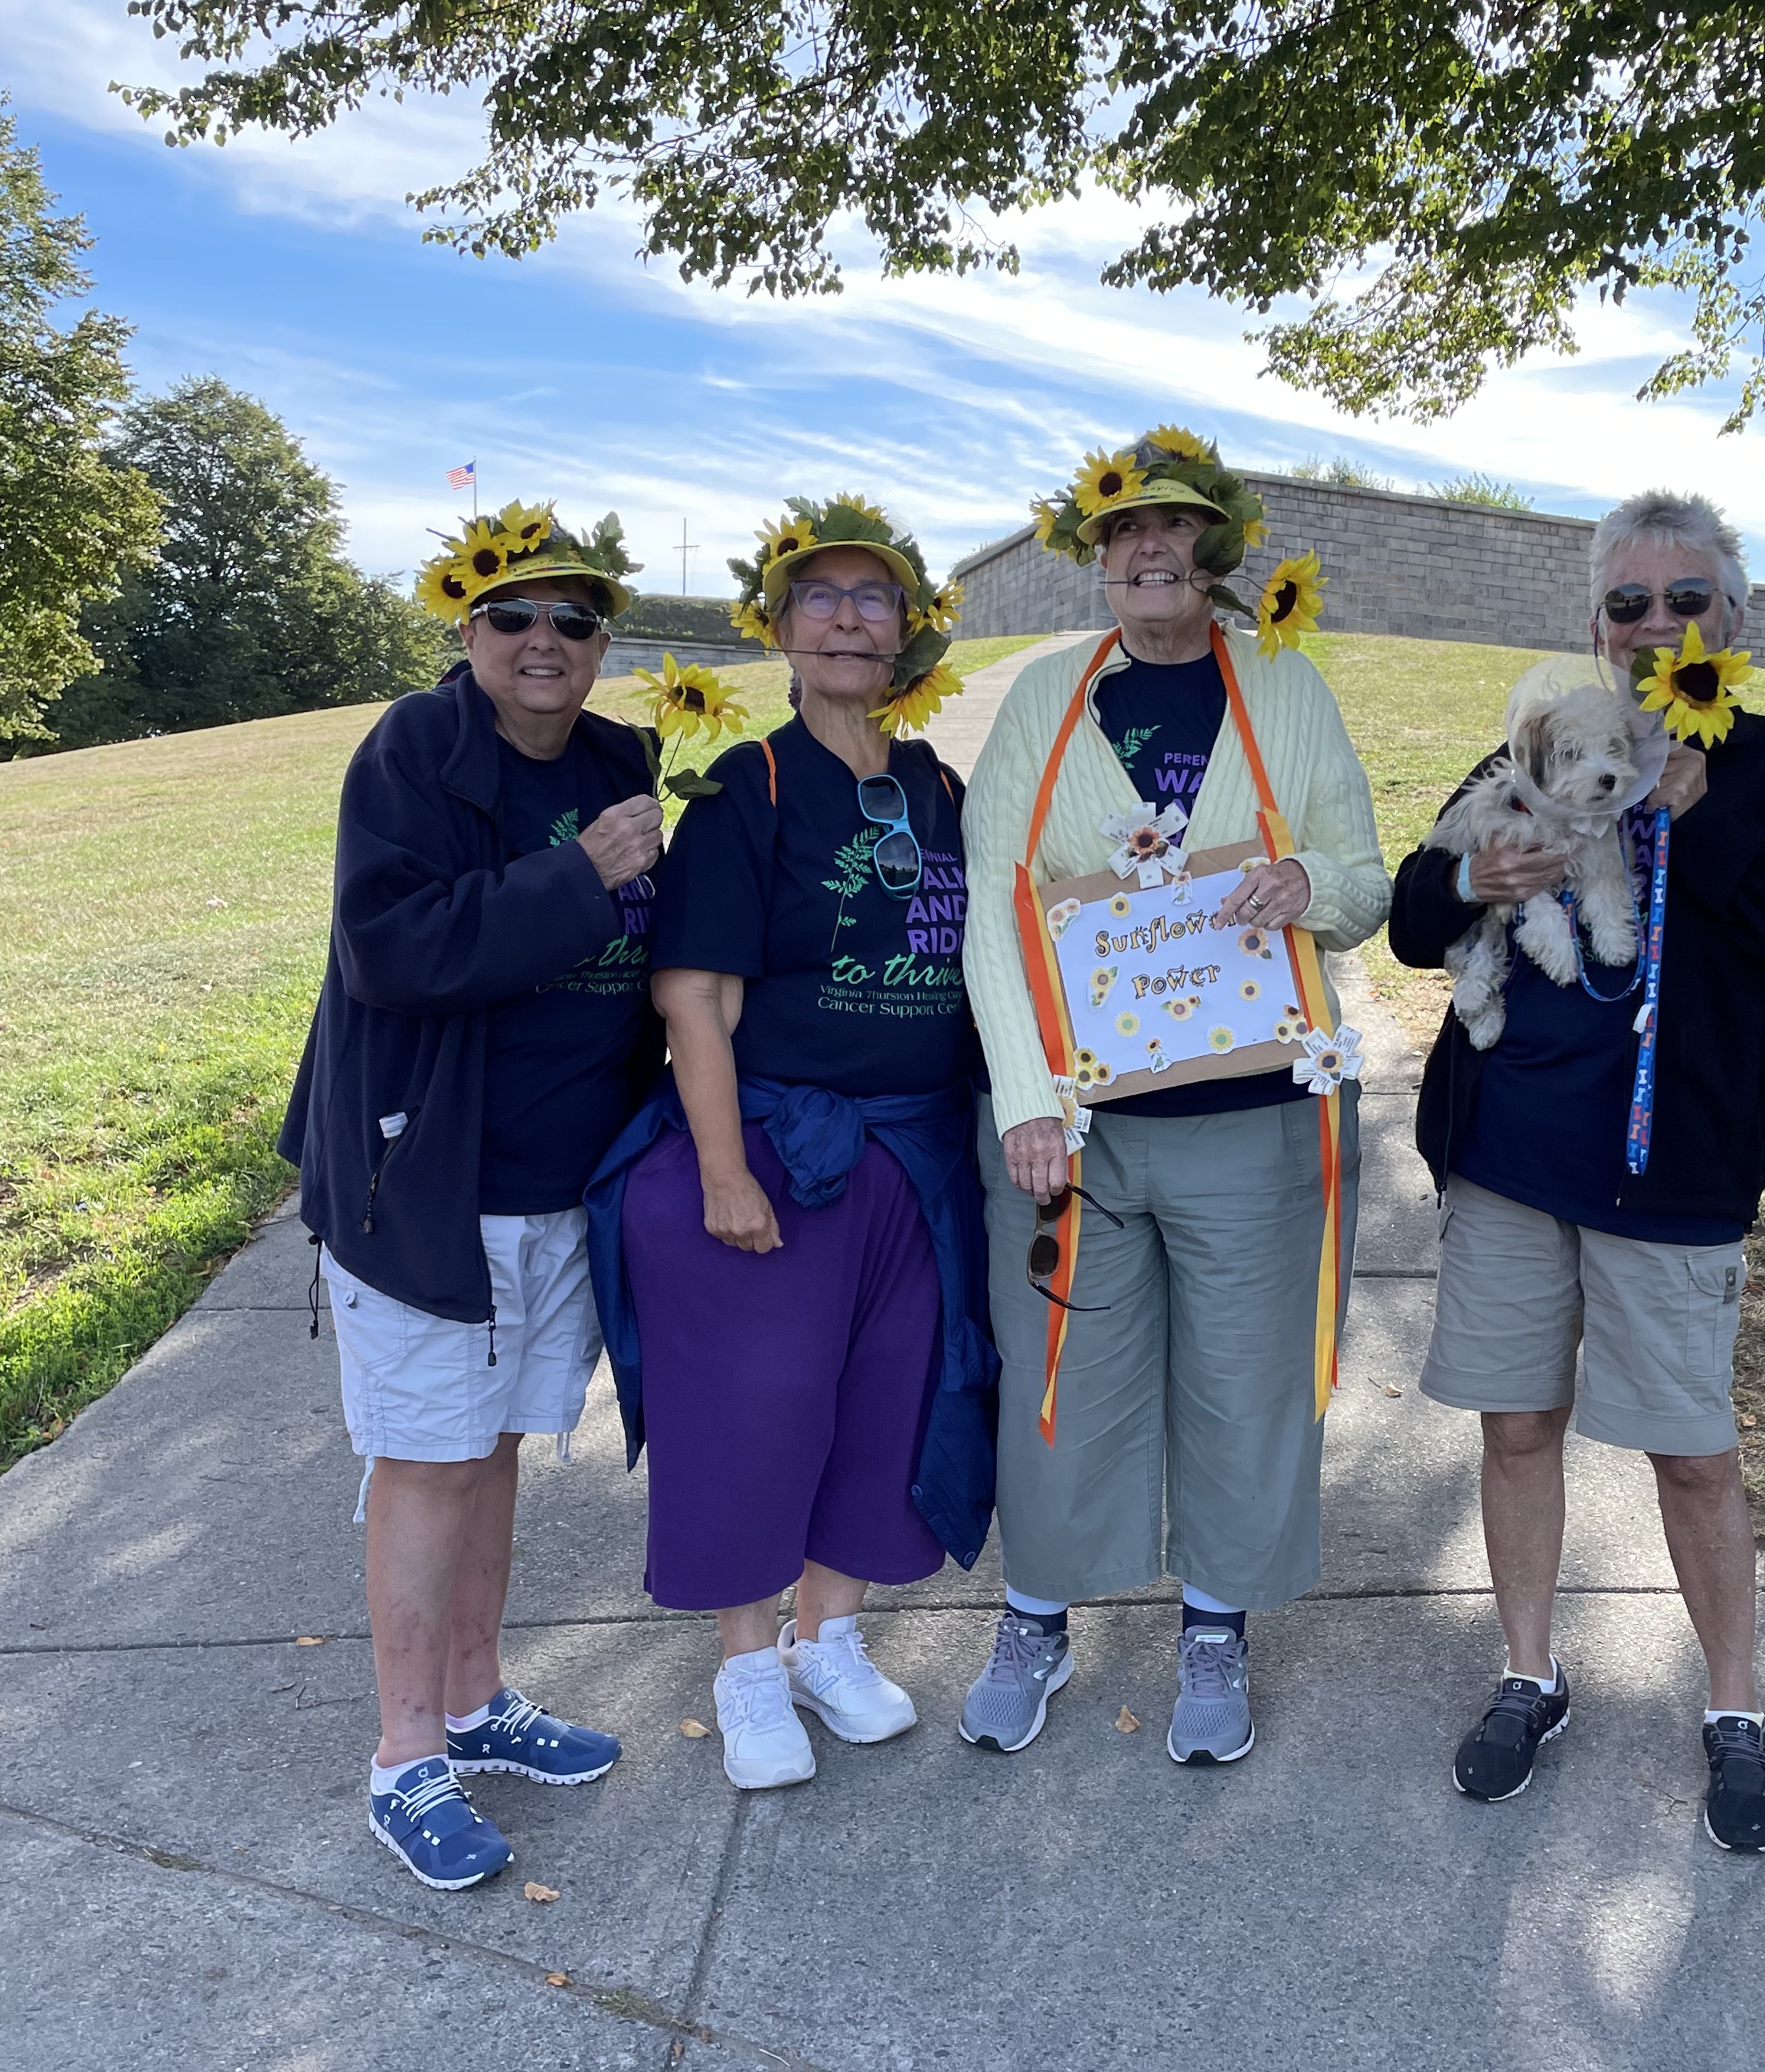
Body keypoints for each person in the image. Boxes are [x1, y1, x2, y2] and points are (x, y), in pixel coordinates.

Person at [1391, 489, 1765, 1850]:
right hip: (1508, 1161)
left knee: (1692, 1457)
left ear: (1733, 622)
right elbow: (1408, 912)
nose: (1657, 623)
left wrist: (1704, 811)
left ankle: (1735, 1708)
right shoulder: (1541, 740)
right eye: (1630, 604)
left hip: (1674, 1178)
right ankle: (1530, 1675)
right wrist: (1474, 886)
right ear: (1595, 625)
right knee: (1515, 1426)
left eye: (1687, 603)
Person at [959, 428, 1389, 1766]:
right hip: (1073, 1130)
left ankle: (1215, 1627)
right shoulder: (1044, 700)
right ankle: (1036, 1617)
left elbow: (1367, 879)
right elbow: (995, 908)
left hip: (1254, 1123)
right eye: (1121, 532)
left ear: (1212, 550)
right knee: (1059, 1377)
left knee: (1245, 1380)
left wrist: (1311, 886)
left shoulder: (1286, 689)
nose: (1148, 549)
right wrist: (1025, 1096)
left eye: (1173, 527)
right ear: (1099, 559)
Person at [587, 495, 995, 1793]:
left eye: (873, 597)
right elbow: (693, 995)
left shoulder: (942, 789)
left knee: (884, 1408)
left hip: (914, 1163)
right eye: (818, 596)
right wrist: (721, 1169)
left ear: (910, 634)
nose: (846, 617)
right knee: (754, 1416)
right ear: (777, 626)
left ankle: (832, 1639)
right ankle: (748, 1666)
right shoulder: (747, 790)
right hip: (778, 1152)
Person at [282, 504, 660, 1889]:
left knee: (494, 1445)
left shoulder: (621, 758)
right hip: (425, 1184)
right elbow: (392, 950)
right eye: (514, 615)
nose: (544, 640)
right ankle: (403, 1759)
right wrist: (582, 873)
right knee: (428, 1460)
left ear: (601, 641)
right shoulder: (414, 753)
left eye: (573, 618)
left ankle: (477, 1700)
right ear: (469, 630)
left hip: (561, 1185)